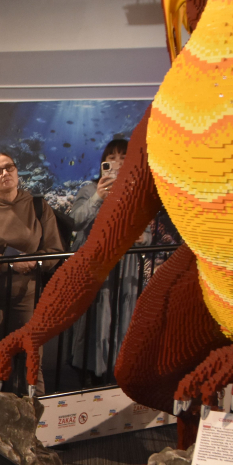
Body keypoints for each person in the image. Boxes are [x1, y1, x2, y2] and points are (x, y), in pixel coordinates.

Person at [0, 151, 65, 395]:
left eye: (9, 167)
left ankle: (33, 412)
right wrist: (8, 264)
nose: (4, 173)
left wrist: (32, 263)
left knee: (30, 361)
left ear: (17, 171)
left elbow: (54, 251)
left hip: (28, 298)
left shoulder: (38, 207)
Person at [67, 139, 135, 378]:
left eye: (123, 157)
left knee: (122, 314)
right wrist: (98, 196)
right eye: (112, 158)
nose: (117, 163)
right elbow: (75, 221)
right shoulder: (89, 189)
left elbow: (146, 233)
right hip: (94, 266)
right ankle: (88, 369)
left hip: (125, 267)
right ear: (103, 163)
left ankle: (118, 367)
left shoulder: (135, 192)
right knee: (94, 316)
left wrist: (136, 236)